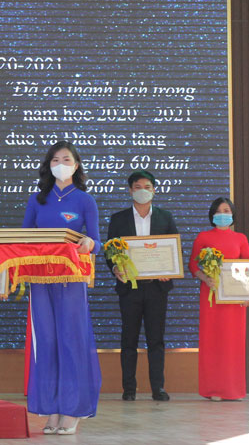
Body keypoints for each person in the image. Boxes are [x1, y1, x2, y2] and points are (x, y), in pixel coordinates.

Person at [22, 141, 101, 435]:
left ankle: (73, 409)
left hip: (71, 281)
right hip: (41, 281)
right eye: (55, 159)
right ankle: (52, 408)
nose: (60, 164)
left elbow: (97, 241)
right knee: (46, 342)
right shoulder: (37, 200)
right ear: (48, 165)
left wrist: (89, 243)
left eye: (66, 159)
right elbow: (25, 237)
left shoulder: (84, 200)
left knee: (71, 340)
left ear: (76, 165)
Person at [106, 170, 177, 402]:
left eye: (147, 187)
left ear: (154, 190)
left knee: (156, 340)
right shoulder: (119, 219)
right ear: (130, 191)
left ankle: (158, 388)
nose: (142, 191)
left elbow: (173, 249)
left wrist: (169, 270)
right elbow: (110, 251)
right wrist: (115, 269)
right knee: (129, 340)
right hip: (130, 288)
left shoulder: (165, 217)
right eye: (137, 187)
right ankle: (129, 389)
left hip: (157, 288)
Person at [188, 197, 249, 401]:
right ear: (212, 215)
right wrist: (205, 278)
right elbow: (193, 265)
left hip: (234, 298)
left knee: (233, 342)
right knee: (213, 340)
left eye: (226, 211)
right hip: (212, 296)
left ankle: (234, 390)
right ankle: (214, 389)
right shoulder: (203, 237)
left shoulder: (241, 238)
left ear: (232, 214)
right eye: (218, 211)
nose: (222, 214)